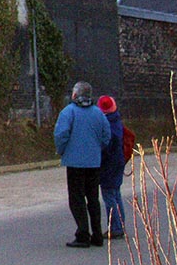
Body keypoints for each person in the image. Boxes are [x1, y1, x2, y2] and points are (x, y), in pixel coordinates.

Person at [54, 81, 111, 248]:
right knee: (93, 198)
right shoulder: (98, 113)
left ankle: (83, 234)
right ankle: (97, 234)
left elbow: (61, 134)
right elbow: (106, 135)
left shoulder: (68, 112)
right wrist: (96, 149)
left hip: (74, 163)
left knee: (77, 199)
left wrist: (62, 150)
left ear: (74, 95)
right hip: (94, 163)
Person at [97, 95, 126, 239]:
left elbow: (105, 148)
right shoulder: (117, 120)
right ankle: (120, 224)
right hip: (118, 162)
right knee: (116, 194)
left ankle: (115, 227)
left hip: (109, 165)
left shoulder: (105, 126)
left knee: (109, 196)